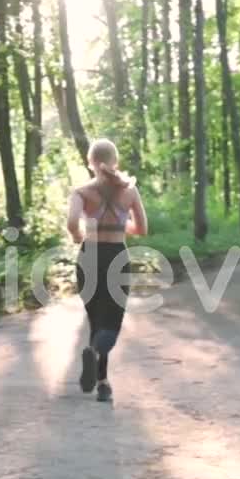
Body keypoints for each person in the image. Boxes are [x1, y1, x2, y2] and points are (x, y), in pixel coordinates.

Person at [66, 139, 148, 402]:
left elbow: (71, 222)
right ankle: (101, 380)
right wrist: (120, 226)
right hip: (116, 258)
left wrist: (79, 235)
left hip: (89, 257)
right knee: (110, 325)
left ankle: (101, 378)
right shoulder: (130, 191)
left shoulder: (81, 191)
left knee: (96, 320)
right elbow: (142, 229)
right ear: (116, 162)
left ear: (90, 163)